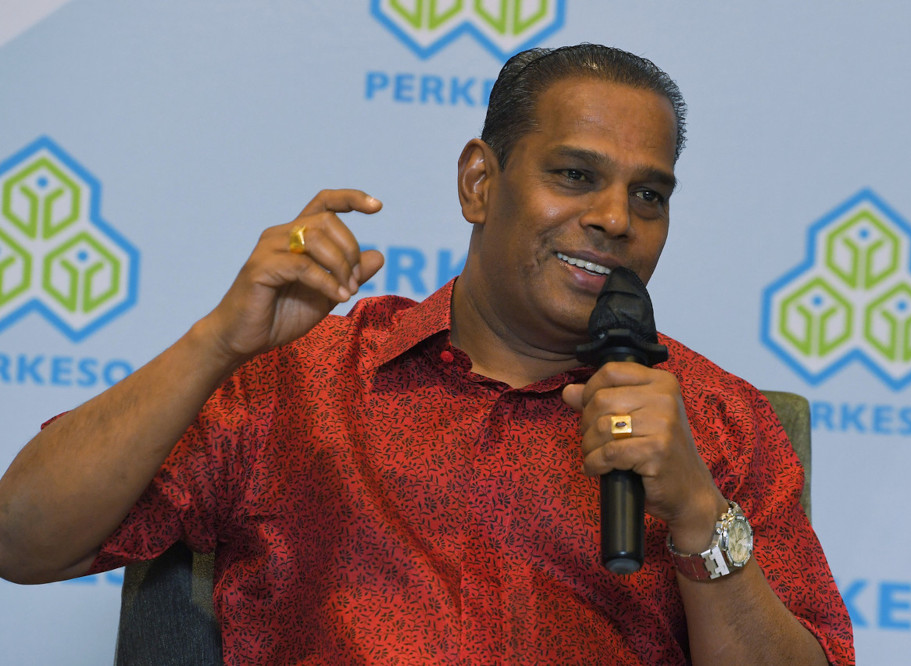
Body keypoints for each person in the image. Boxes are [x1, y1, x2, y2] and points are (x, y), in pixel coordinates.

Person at [0, 44, 854, 664]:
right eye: (573, 175)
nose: (615, 218)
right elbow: (20, 539)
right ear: (479, 183)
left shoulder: (712, 423)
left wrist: (699, 516)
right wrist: (219, 342)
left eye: (648, 194)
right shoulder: (298, 383)